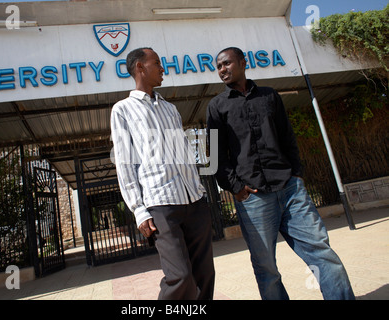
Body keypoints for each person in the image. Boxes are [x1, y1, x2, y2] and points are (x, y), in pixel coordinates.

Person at [206, 47, 354, 300]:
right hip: (253, 199)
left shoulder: (270, 96)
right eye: (218, 66)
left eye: (226, 63)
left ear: (242, 63)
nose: (222, 70)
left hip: (290, 190)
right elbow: (216, 154)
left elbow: (288, 138)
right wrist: (235, 187)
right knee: (266, 268)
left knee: (322, 252)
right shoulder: (217, 106)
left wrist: (296, 174)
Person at [110, 47, 215, 300]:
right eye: (156, 63)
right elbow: (125, 163)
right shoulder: (122, 110)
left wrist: (199, 189)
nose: (162, 68)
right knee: (180, 276)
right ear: (140, 68)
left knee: (205, 274)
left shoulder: (170, 109)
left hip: (194, 200)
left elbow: (183, 154)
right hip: (161, 204)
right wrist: (138, 209)